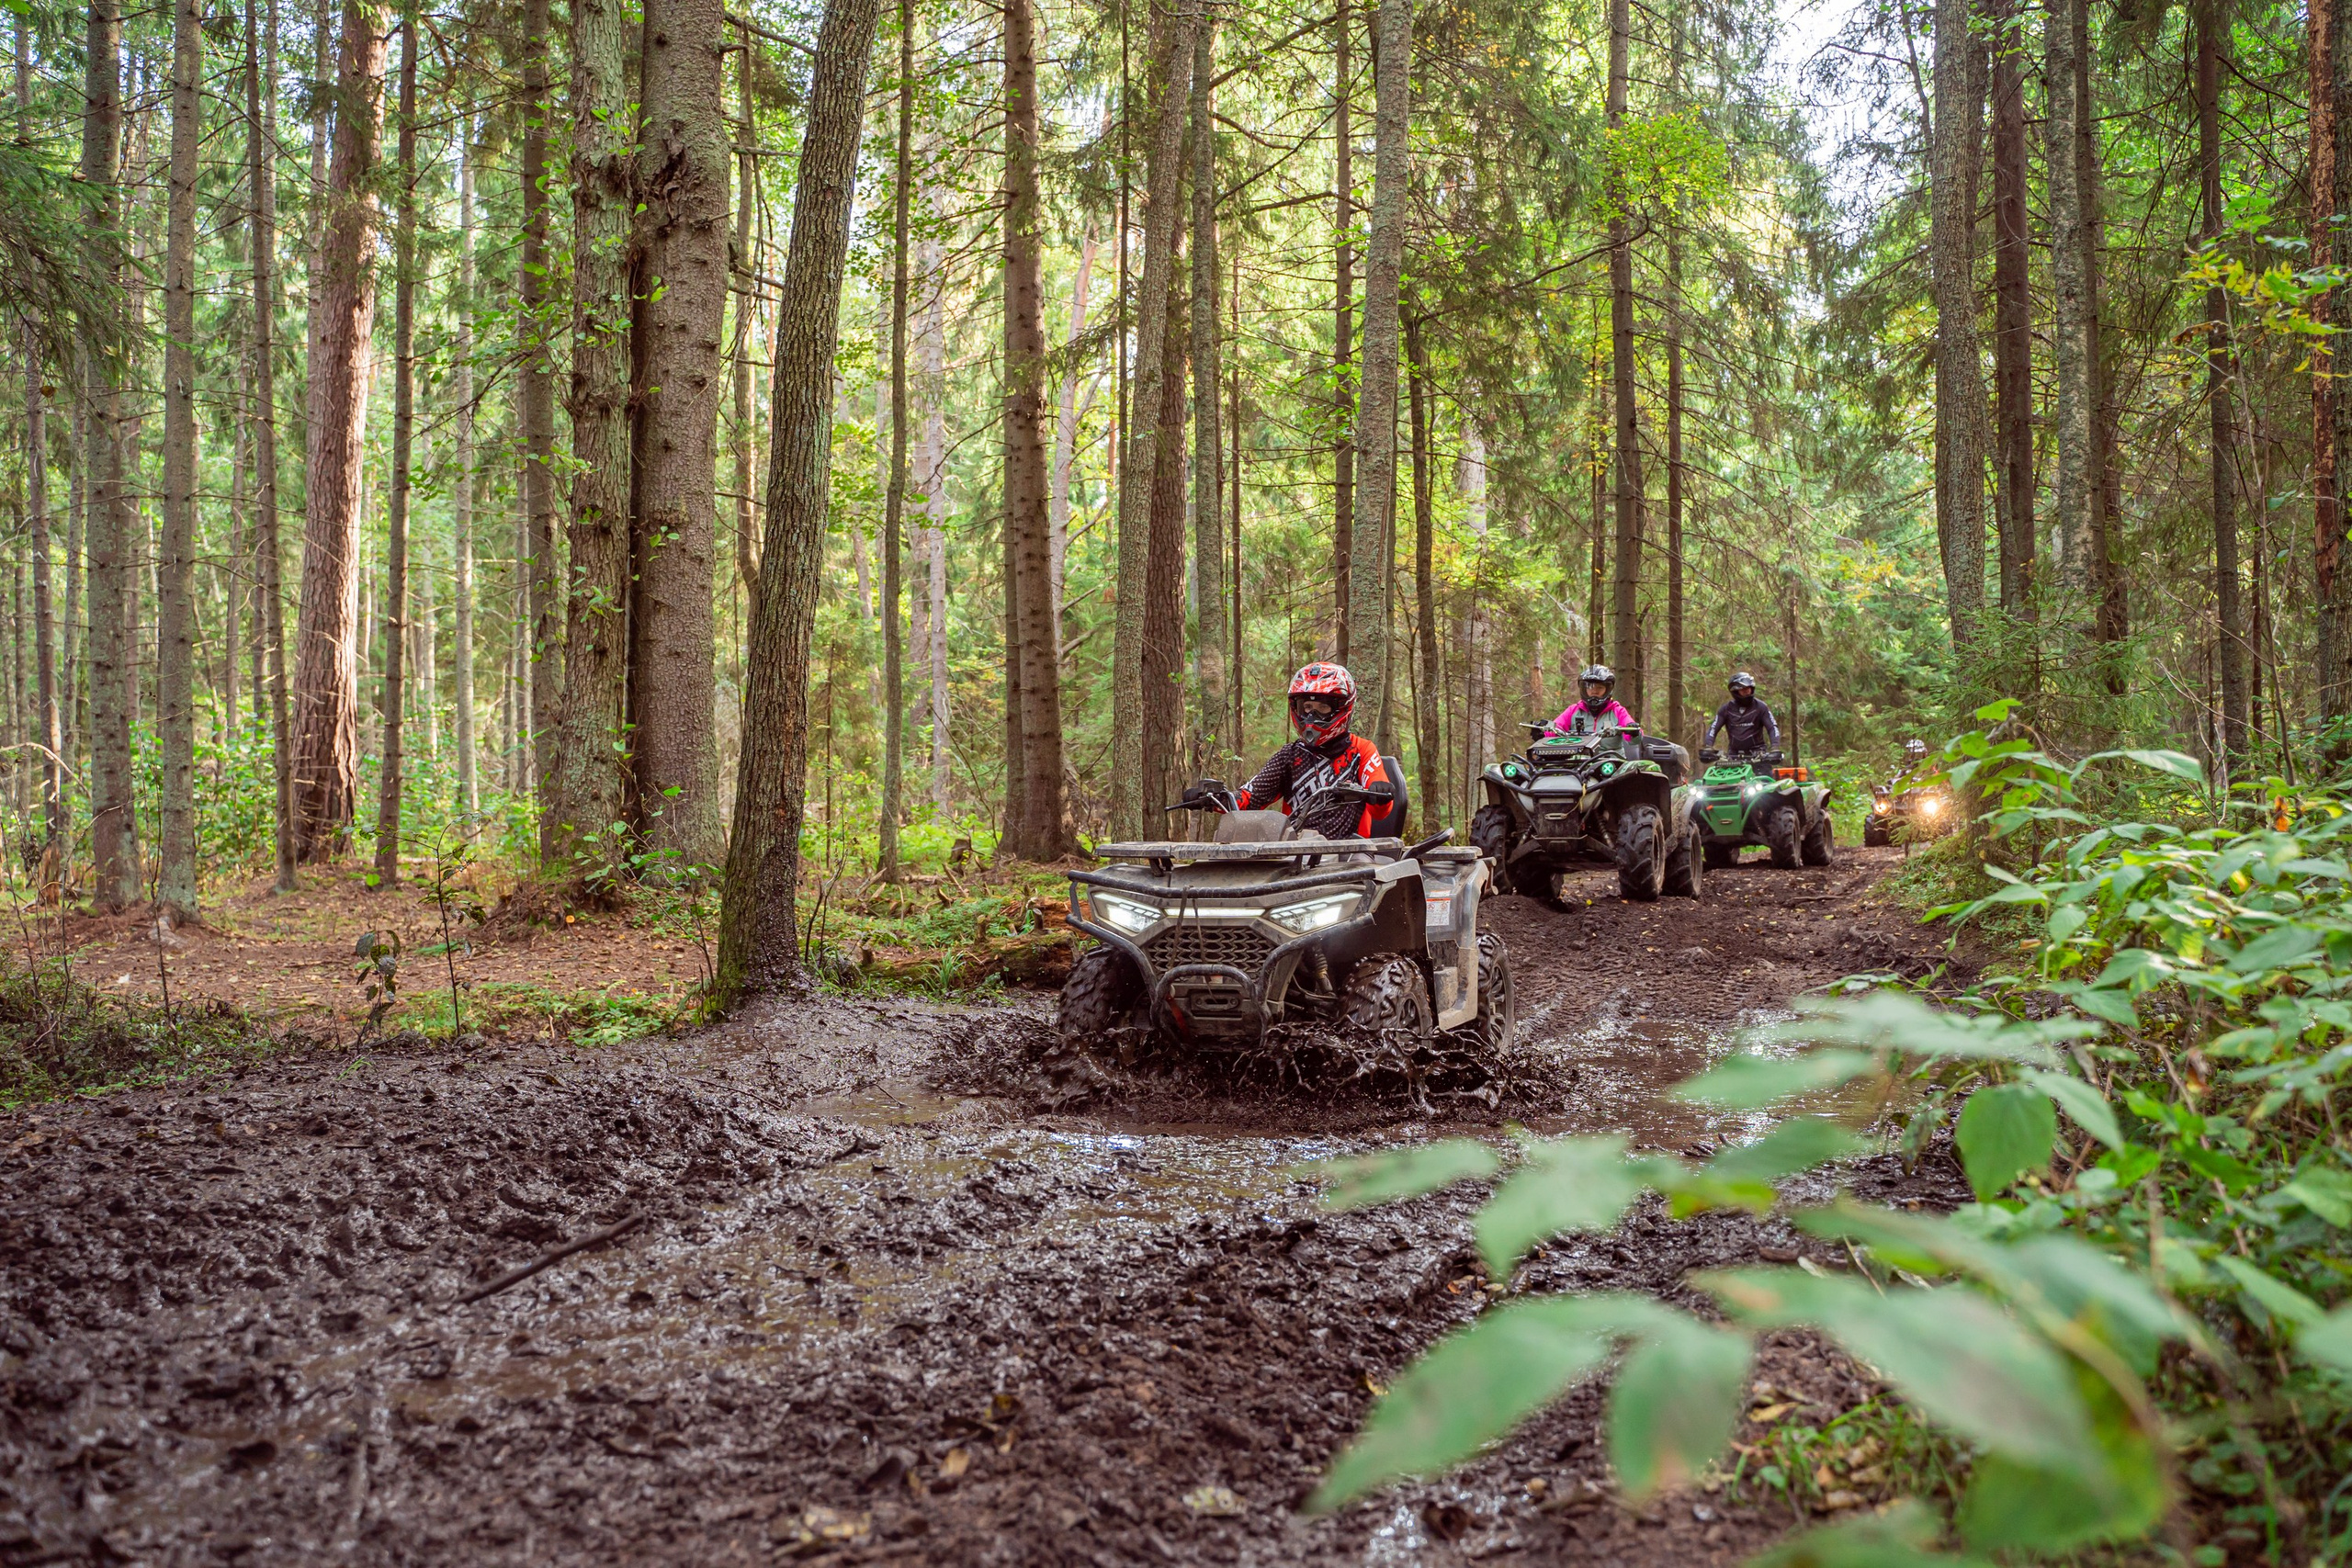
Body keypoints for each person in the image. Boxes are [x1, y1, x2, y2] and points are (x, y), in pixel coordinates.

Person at [1192, 662, 1402, 840]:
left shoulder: (1360, 750)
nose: (1312, 716)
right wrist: (1213, 798)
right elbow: (1249, 798)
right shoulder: (1290, 756)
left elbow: (1380, 809)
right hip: (1296, 853)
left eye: (1322, 708)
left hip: (1349, 853)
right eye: (1307, 708)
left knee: (1364, 875)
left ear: (1341, 708)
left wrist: (1381, 792)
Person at [1549, 664, 1634, 737]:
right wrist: (1542, 730)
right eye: (1590, 687)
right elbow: (1554, 727)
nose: (1594, 691)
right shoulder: (1573, 710)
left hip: (1610, 755)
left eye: (1600, 688)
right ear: (1584, 689)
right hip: (1580, 755)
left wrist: (1633, 731)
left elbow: (1633, 736)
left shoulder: (1618, 711)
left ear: (1608, 689)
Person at [1707, 672, 1781, 755]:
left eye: (1748, 688)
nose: (1747, 691)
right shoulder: (1726, 709)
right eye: (1743, 689)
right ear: (1735, 691)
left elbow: (1772, 727)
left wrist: (1775, 747)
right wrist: (1708, 746)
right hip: (1733, 755)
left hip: (1758, 754)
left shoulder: (1761, 707)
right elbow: (1713, 728)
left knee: (1765, 768)